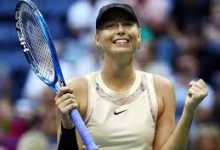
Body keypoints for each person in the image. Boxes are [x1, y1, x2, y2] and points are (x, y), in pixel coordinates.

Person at [55, 3, 208, 150]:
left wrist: (188, 113)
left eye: (128, 24)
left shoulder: (162, 88)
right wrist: (67, 126)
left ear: (139, 35)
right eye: (110, 26)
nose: (121, 30)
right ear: (97, 38)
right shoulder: (75, 90)